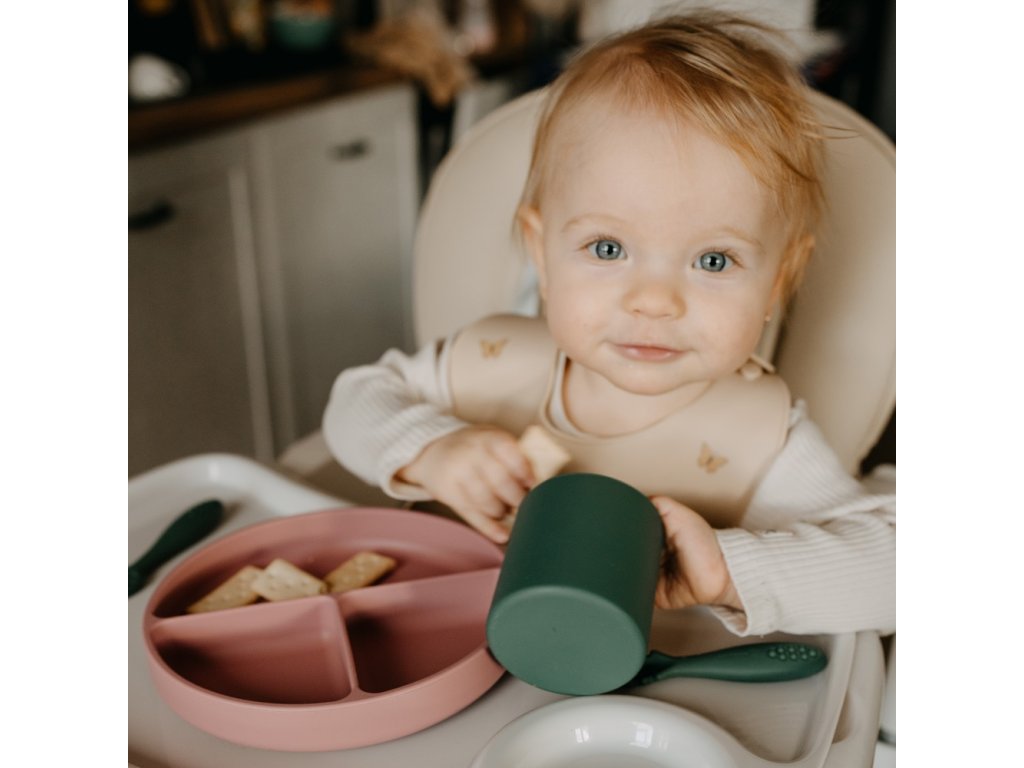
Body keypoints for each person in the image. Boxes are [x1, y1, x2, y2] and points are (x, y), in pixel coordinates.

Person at [323, 12, 895, 637]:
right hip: (437, 648)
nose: (654, 302)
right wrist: (429, 449)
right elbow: (354, 401)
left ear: (777, 281)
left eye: (713, 260)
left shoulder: (762, 440)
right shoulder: (491, 364)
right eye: (607, 248)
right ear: (542, 255)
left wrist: (730, 572)